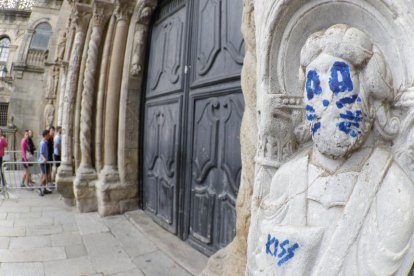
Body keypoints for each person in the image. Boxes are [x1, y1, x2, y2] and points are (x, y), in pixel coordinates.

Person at [248, 25, 414, 275]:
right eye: (315, 88)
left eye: (338, 86)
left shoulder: (395, 193)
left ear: (372, 97)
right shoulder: (287, 178)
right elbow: (261, 261)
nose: (326, 101)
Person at [38, 129, 52, 196]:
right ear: (45, 135)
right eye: (48, 134)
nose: (49, 135)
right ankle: (40, 187)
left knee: (45, 175)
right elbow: (41, 153)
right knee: (45, 176)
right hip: (43, 162)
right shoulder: (43, 143)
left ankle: (44, 188)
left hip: (45, 162)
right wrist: (44, 159)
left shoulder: (45, 142)